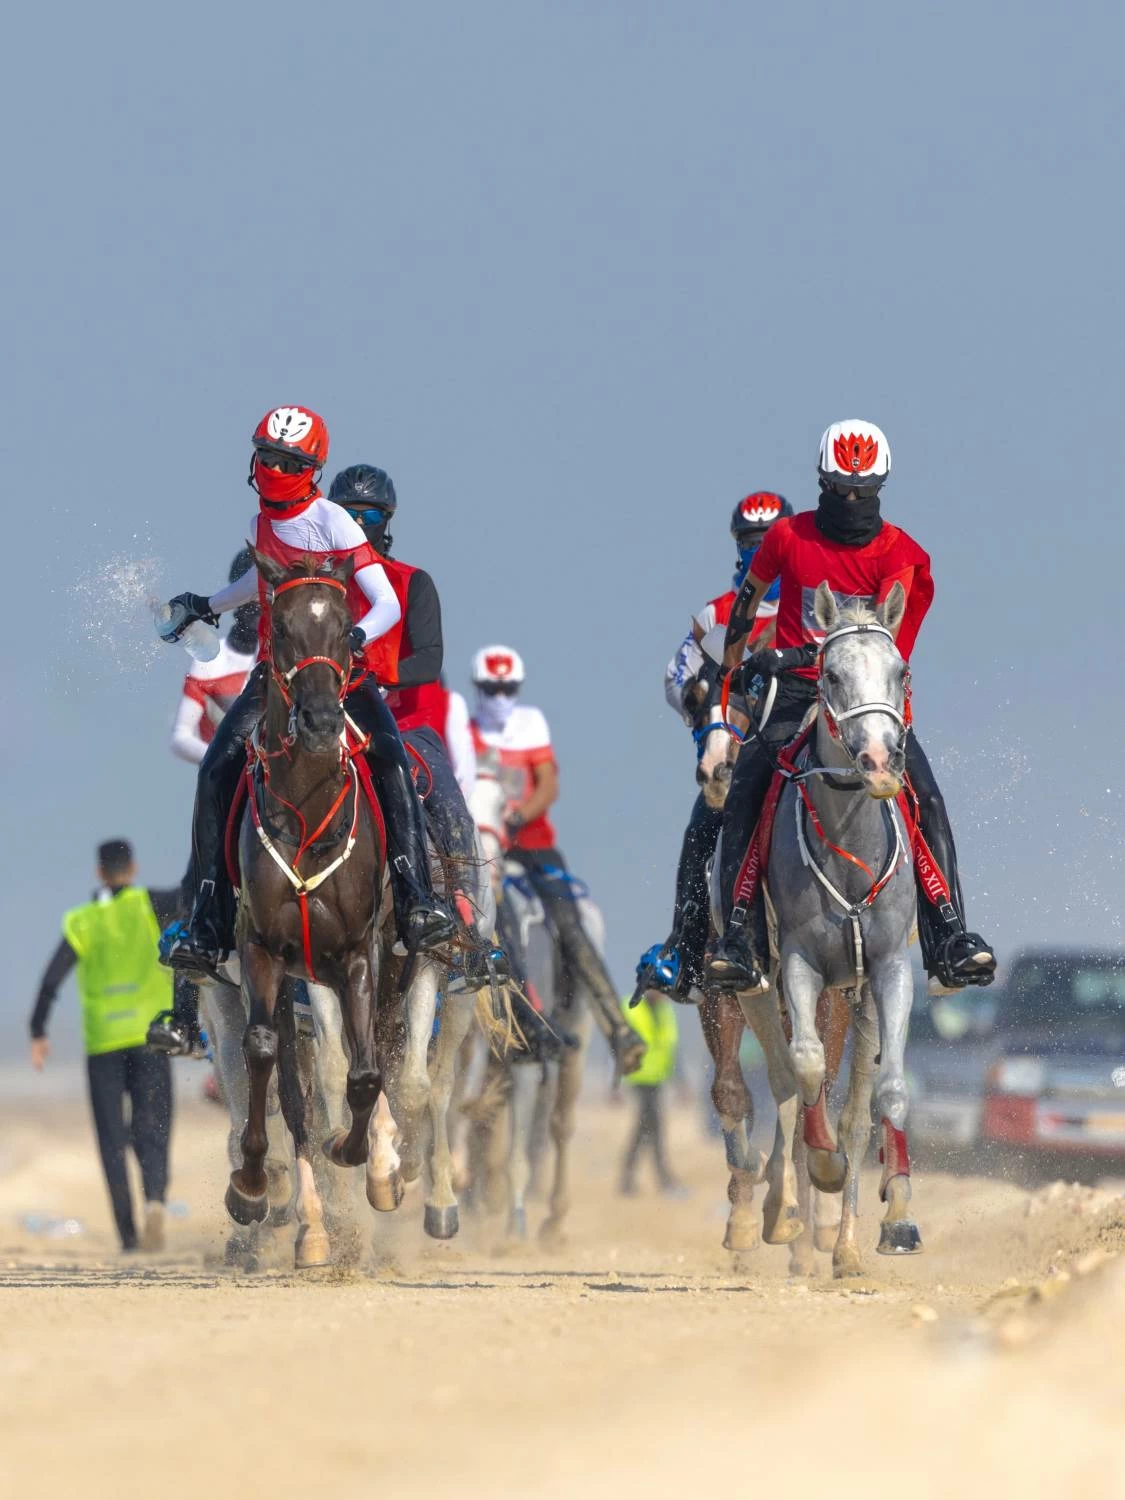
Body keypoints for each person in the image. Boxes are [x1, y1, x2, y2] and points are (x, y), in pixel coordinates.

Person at [158, 406, 456, 974]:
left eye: (285, 460)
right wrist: (208, 604)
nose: (272, 467)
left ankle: (416, 900)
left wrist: (359, 637)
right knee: (216, 767)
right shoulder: (258, 524)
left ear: (310, 466)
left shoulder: (335, 523)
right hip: (275, 677)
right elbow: (260, 581)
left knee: (392, 760)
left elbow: (387, 600)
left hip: (341, 677)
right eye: (265, 455)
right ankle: (209, 917)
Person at [706, 420, 997, 997]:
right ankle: (739, 935)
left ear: (880, 488)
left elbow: (884, 644)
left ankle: (950, 936)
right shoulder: (787, 537)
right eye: (840, 489)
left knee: (928, 799)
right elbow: (744, 609)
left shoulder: (904, 554)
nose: (851, 500)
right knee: (745, 790)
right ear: (822, 481)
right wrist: (736, 674)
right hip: (795, 698)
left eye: (863, 492)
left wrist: (811, 662)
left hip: (867, 702)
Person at [325, 465, 499, 983]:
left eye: (370, 514)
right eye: (347, 515)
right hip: (326, 721)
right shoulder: (316, 584)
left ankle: (471, 934)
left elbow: (427, 658)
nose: (358, 523)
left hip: (403, 726)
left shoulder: (411, 583)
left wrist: (371, 670)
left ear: (387, 520)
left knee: (447, 806)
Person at [638, 493, 792, 1002]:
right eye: (751, 543)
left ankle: (927, 921)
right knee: (700, 835)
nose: (760, 550)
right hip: (735, 757)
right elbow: (676, 674)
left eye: (768, 541)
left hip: (798, 747)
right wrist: (698, 708)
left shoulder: (812, 603)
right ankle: (683, 954)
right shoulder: (716, 615)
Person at [469, 645, 639, 1067]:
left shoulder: (530, 725)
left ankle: (617, 1028)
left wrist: (518, 815)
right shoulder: (466, 730)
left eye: (508, 688)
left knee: (569, 920)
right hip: (482, 850)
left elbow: (548, 785)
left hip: (533, 844)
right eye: (492, 689)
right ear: (478, 688)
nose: (500, 697)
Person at [29, 840, 178, 1253]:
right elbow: (193, 894)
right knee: (153, 1126)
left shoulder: (82, 920)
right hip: (150, 1035)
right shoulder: (151, 904)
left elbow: (50, 981)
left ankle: (129, 1237)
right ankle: (155, 1201)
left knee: (112, 1139)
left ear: (99, 872)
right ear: (132, 867)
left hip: (102, 1044)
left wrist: (38, 1031)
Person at [169, 549, 260, 764]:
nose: (256, 605)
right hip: (232, 772)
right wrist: (230, 759)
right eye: (249, 596)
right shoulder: (211, 663)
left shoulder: (292, 655)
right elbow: (180, 737)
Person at [618, 991, 682, 1196]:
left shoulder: (665, 1010)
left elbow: (672, 1047)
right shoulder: (631, 1007)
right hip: (638, 1077)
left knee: (644, 1128)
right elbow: (616, 1046)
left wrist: (681, 1081)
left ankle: (628, 1177)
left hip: (657, 1078)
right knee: (654, 1126)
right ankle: (664, 1177)